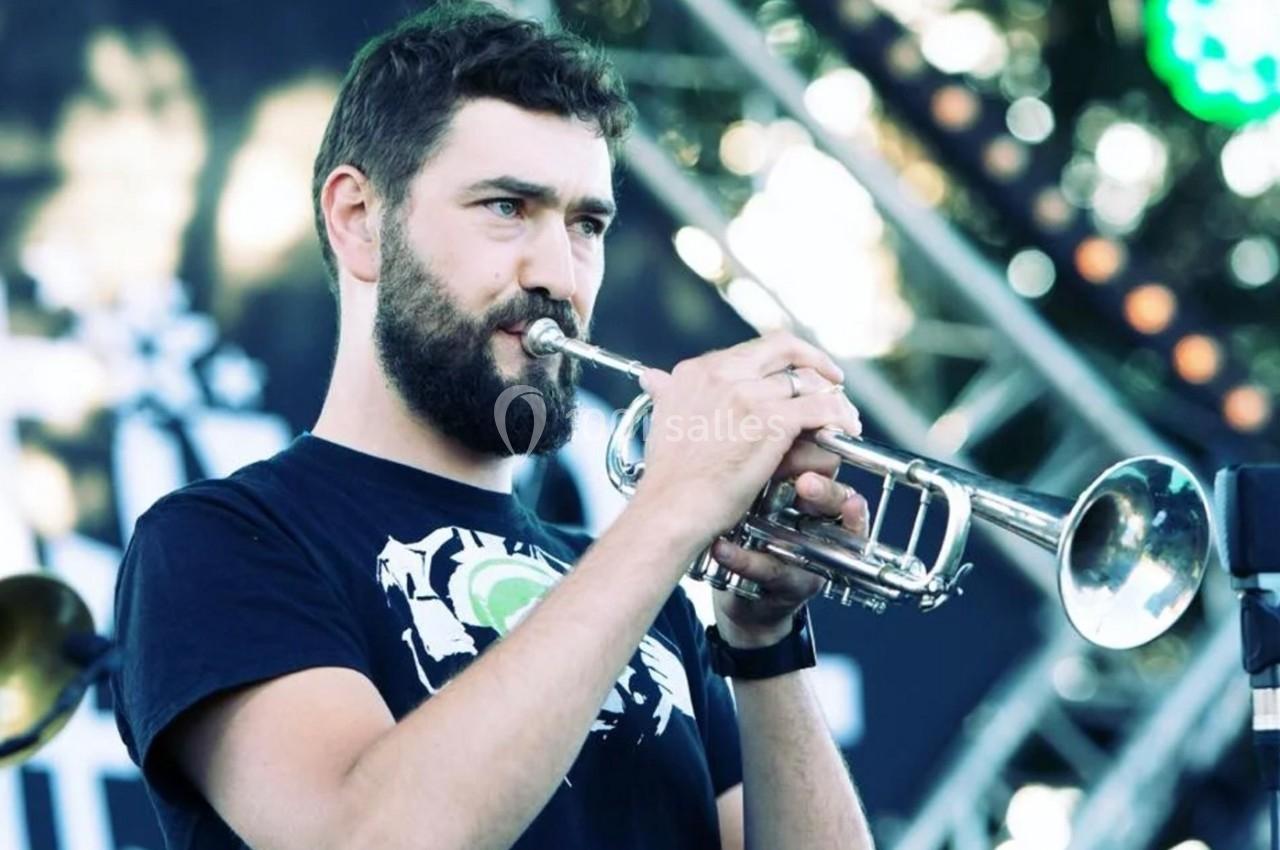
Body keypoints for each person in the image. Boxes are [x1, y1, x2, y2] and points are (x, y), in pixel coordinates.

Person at [111, 3, 877, 849]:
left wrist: (763, 638)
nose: (559, 273)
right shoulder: (222, 541)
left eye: (586, 224)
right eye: (508, 207)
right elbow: (366, 838)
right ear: (360, 220)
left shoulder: (635, 592)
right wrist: (675, 507)